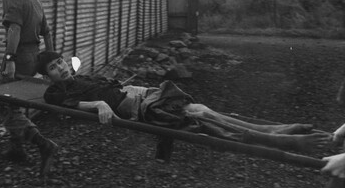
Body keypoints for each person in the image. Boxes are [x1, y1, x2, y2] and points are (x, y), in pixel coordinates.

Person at [36, 51, 332, 159]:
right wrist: (98, 102)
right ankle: (287, 140)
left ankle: (284, 130)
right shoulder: (55, 92)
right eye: (52, 67)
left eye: (60, 61)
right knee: (202, 116)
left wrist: (108, 90)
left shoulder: (79, 74)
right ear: (46, 75)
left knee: (205, 111)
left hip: (140, 92)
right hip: (136, 106)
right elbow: (74, 106)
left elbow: (99, 84)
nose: (60, 68)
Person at [0, 0, 58, 176]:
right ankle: (17, 149)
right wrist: (49, 60)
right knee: (14, 103)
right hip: (33, 55)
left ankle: (43, 144)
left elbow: (14, 28)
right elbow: (47, 33)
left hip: (19, 55)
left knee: (5, 104)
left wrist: (10, 58)